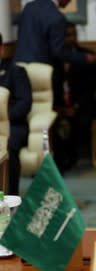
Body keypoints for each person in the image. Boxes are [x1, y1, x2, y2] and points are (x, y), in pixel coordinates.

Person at [13, 0, 96, 103]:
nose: (70, 2)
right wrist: (84, 58)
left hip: (18, 69)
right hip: (41, 74)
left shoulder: (29, 7)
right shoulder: (57, 17)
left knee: (23, 108)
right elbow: (58, 51)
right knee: (44, 109)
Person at [52, 22, 96, 172]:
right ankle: (59, 162)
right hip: (58, 105)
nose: (71, 38)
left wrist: (75, 107)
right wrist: (58, 108)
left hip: (80, 104)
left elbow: (90, 88)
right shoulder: (53, 58)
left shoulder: (86, 56)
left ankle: (74, 158)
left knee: (80, 119)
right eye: (67, 35)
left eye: (74, 34)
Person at [0, 33, 32, 195]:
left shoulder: (15, 72)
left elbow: (24, 103)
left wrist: (3, 119)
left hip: (13, 126)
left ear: (1, 49)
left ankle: (10, 198)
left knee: (8, 148)